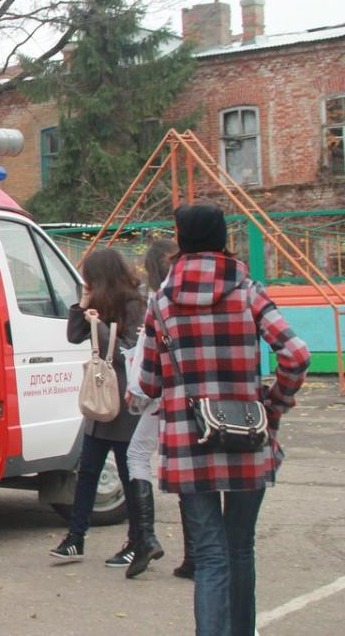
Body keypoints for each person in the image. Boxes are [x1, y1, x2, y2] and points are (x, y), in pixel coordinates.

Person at [139, 204, 309, 636]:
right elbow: (296, 354)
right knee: (240, 549)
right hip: (247, 437)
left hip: (185, 441)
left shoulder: (160, 301)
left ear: (182, 240)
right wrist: (274, 405)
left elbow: (149, 382)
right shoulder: (247, 290)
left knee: (210, 554)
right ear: (220, 238)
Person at [49, 248, 144, 566]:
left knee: (131, 476)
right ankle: (75, 538)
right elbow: (74, 335)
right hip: (99, 402)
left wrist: (100, 329)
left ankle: (138, 541)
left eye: (90, 279)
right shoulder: (99, 303)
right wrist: (83, 305)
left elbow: (128, 353)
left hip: (123, 402)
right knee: (87, 471)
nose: (87, 284)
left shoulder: (134, 304)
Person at [122, 237, 192, 579]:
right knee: (186, 469)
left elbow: (147, 352)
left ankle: (147, 536)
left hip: (163, 392)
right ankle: (194, 550)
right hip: (198, 392)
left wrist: (138, 390)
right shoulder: (195, 292)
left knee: (137, 454)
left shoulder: (158, 301)